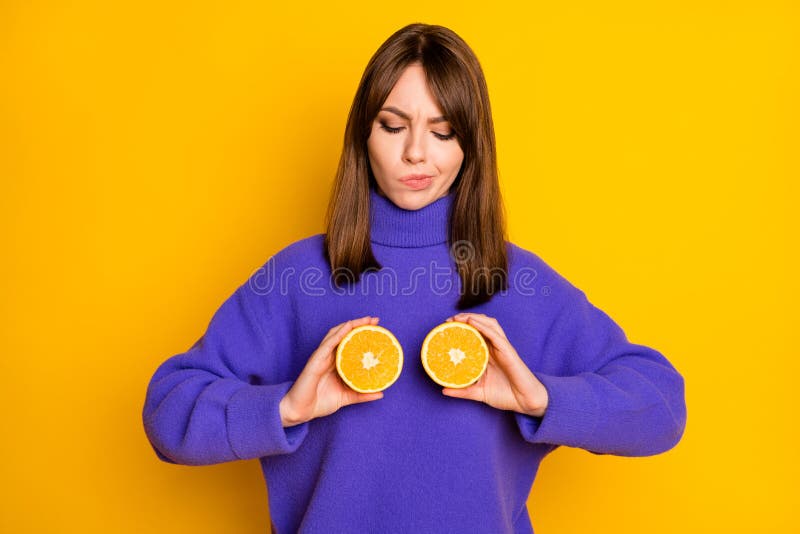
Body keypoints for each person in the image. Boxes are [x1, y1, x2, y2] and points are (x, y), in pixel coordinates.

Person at [142, 22, 687, 534]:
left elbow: (662, 407)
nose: (415, 153)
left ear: (470, 144)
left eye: (443, 131)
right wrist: (285, 409)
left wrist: (541, 398)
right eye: (393, 125)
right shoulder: (296, 278)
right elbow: (167, 410)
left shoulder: (516, 280)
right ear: (364, 133)